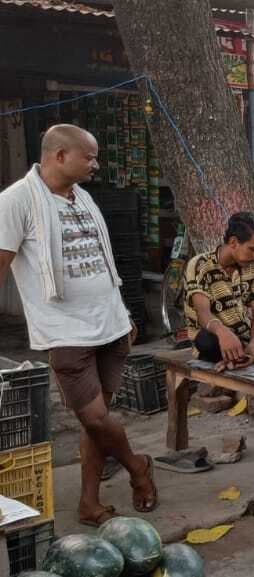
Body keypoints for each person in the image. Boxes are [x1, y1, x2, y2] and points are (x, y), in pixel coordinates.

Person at [0, 124, 157, 526]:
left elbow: (102, 261)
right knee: (94, 418)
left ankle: (89, 503)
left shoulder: (83, 197)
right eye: (88, 156)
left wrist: (123, 312)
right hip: (66, 332)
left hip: (111, 324)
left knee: (97, 422)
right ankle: (138, 466)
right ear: (58, 156)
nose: (95, 164)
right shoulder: (16, 202)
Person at [185, 213, 254, 372]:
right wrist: (224, 333)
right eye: (253, 248)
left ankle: (252, 355)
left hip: (243, 337)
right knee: (205, 341)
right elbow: (204, 316)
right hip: (214, 338)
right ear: (233, 242)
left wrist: (253, 343)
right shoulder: (200, 265)